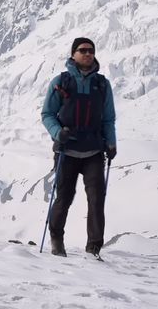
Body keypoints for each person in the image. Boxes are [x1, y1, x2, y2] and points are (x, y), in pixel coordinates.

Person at [40, 36, 117, 257]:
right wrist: (58, 133)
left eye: (91, 50)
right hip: (67, 150)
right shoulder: (61, 81)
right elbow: (47, 114)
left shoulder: (102, 85)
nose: (87, 54)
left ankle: (94, 248)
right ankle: (56, 239)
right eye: (82, 50)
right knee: (64, 196)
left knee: (96, 199)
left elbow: (108, 119)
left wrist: (111, 143)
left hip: (94, 150)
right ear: (73, 54)